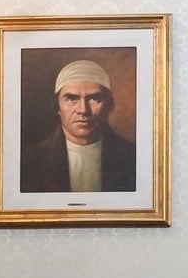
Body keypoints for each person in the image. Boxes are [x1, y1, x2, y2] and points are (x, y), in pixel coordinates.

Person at [20, 59, 136, 193]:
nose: (83, 110)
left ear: (109, 105)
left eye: (94, 99)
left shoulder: (132, 157)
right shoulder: (30, 161)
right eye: (71, 99)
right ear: (57, 106)